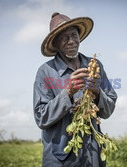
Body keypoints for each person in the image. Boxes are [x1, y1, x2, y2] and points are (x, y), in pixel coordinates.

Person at [33, 12, 117, 167]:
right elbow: (41, 117)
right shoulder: (45, 72)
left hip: (92, 156)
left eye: (74, 35)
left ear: (80, 36)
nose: (71, 41)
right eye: (64, 37)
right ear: (56, 43)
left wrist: (97, 91)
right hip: (60, 159)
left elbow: (109, 108)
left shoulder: (94, 65)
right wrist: (68, 92)